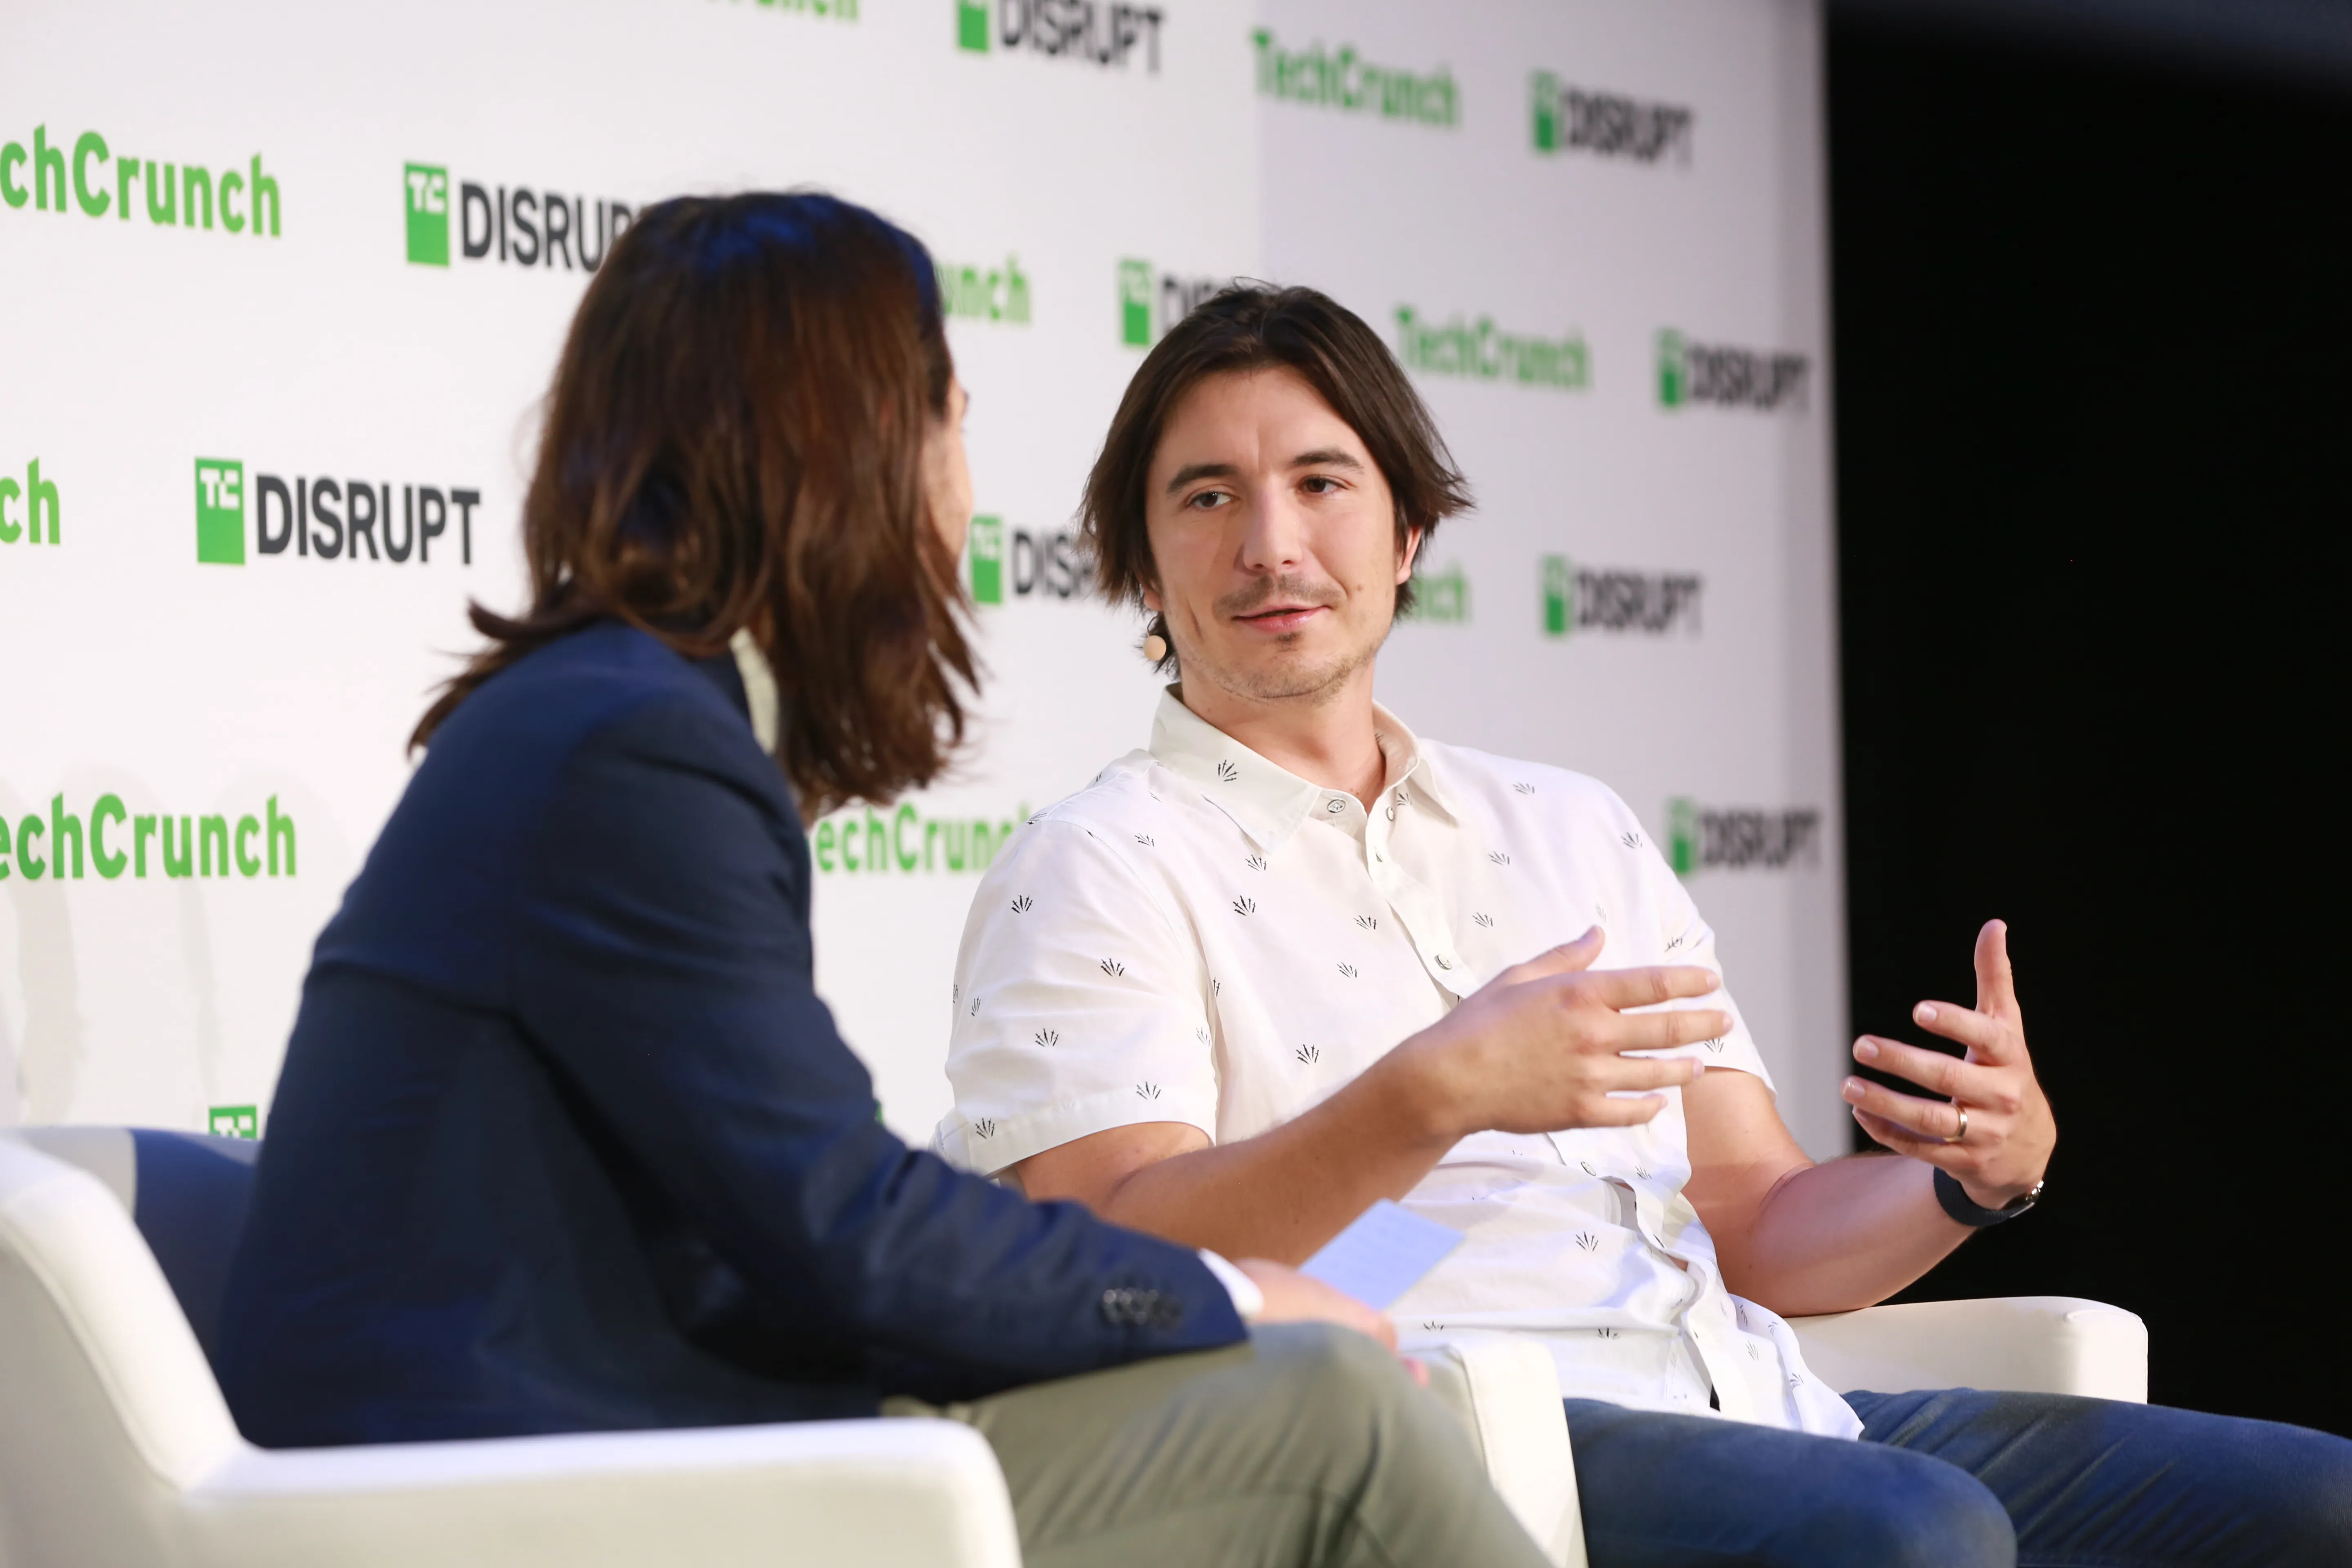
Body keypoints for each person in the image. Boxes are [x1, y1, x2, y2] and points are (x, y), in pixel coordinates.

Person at [214, 198, 1552, 1568]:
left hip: (618, 1422)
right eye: (951, 420)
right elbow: (843, 1229)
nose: (966, 489)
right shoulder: (635, 747)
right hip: (508, 1481)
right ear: (847, 448)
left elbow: (808, 1207)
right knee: (1333, 1411)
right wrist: (1233, 1296)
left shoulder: (617, 717)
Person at [938, 283, 2352, 1567]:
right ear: (1139, 556)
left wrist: (1973, 1180)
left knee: (2310, 1505)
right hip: (1471, 1428)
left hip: (1760, 1397)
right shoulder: (1097, 863)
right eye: (1207, 497)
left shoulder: (1571, 826)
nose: (1272, 544)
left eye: (1324, 483)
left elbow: (1754, 1221)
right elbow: (1113, 1264)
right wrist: (1427, 1101)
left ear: (1408, 528)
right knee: (1921, 1537)